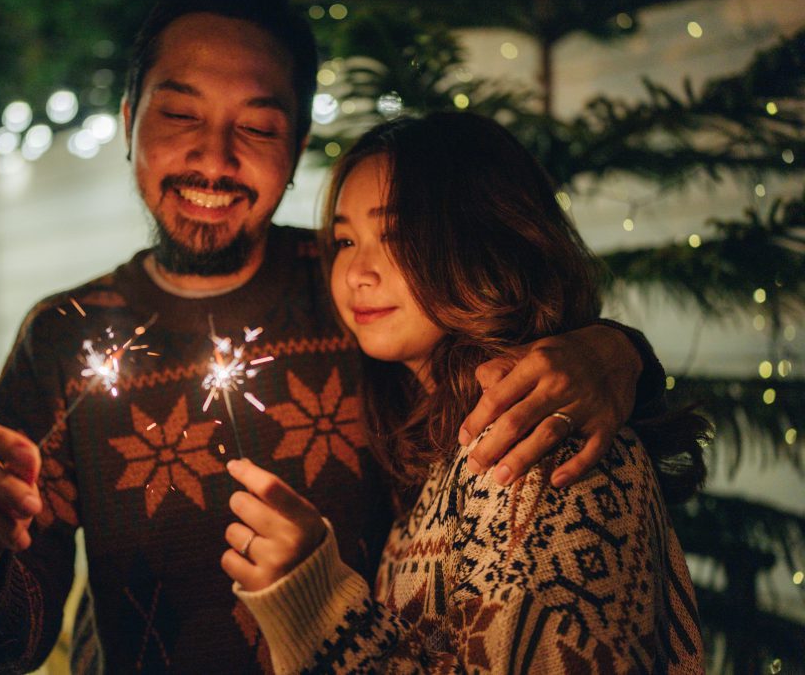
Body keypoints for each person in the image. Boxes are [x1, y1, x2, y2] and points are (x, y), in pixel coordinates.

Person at [0, 0, 667, 672]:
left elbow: (494, 328)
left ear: (298, 140)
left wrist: (615, 353)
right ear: (127, 121)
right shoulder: (62, 340)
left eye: (257, 125)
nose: (214, 158)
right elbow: (7, 645)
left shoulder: (357, 294)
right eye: (180, 115)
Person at [223, 111, 707, 673]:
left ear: (487, 238)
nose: (357, 271)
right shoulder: (443, 453)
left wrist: (318, 608)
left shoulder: (536, 448)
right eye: (346, 239)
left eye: (398, 235)